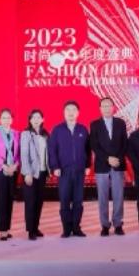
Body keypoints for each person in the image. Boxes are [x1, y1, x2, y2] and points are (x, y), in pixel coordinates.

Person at [48, 100, 90, 237]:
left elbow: (88, 149)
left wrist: (88, 165)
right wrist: (55, 166)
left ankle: (76, 227)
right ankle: (66, 228)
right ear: (64, 113)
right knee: (64, 200)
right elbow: (52, 150)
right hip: (63, 171)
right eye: (68, 110)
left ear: (78, 113)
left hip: (79, 170)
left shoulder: (83, 129)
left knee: (78, 200)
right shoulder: (57, 130)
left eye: (73, 110)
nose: (71, 113)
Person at [89, 97, 128, 236]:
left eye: (109, 105)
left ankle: (118, 224)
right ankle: (104, 225)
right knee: (102, 197)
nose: (106, 108)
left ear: (113, 107)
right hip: (102, 165)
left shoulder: (121, 123)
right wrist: (107, 158)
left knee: (118, 196)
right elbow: (94, 145)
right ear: (100, 109)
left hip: (118, 164)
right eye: (104, 106)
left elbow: (125, 143)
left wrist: (117, 159)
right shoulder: (94, 124)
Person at [0, 109, 20, 241]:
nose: (6, 120)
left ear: (12, 120)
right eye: (3, 118)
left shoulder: (16, 134)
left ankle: (7, 228)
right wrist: (4, 165)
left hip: (13, 170)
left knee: (9, 200)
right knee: (1, 200)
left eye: (8, 118)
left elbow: (19, 153)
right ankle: (2, 230)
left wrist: (15, 165)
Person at [19, 110, 49, 240]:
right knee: (30, 202)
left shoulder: (45, 134)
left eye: (38, 117)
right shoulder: (26, 134)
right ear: (30, 120)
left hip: (42, 172)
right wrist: (27, 173)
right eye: (33, 117)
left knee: (39, 201)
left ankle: (36, 227)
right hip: (30, 173)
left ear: (43, 119)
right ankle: (30, 230)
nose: (36, 120)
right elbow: (24, 154)